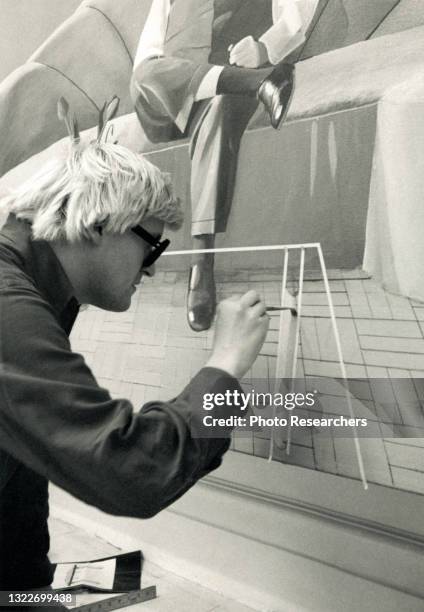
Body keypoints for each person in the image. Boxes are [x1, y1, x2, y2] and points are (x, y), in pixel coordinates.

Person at [0, 136, 269, 592]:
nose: (153, 269)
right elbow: (130, 470)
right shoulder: (8, 302)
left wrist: (28, 592)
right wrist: (225, 365)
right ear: (100, 223)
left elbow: (20, 469)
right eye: (153, 246)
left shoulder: (33, 284)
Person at [131, 0, 320, 331]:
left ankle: (202, 264)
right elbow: (148, 60)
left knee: (219, 111)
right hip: (170, 100)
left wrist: (264, 47)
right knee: (147, 72)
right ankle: (261, 83)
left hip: (223, 94)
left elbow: (296, 17)